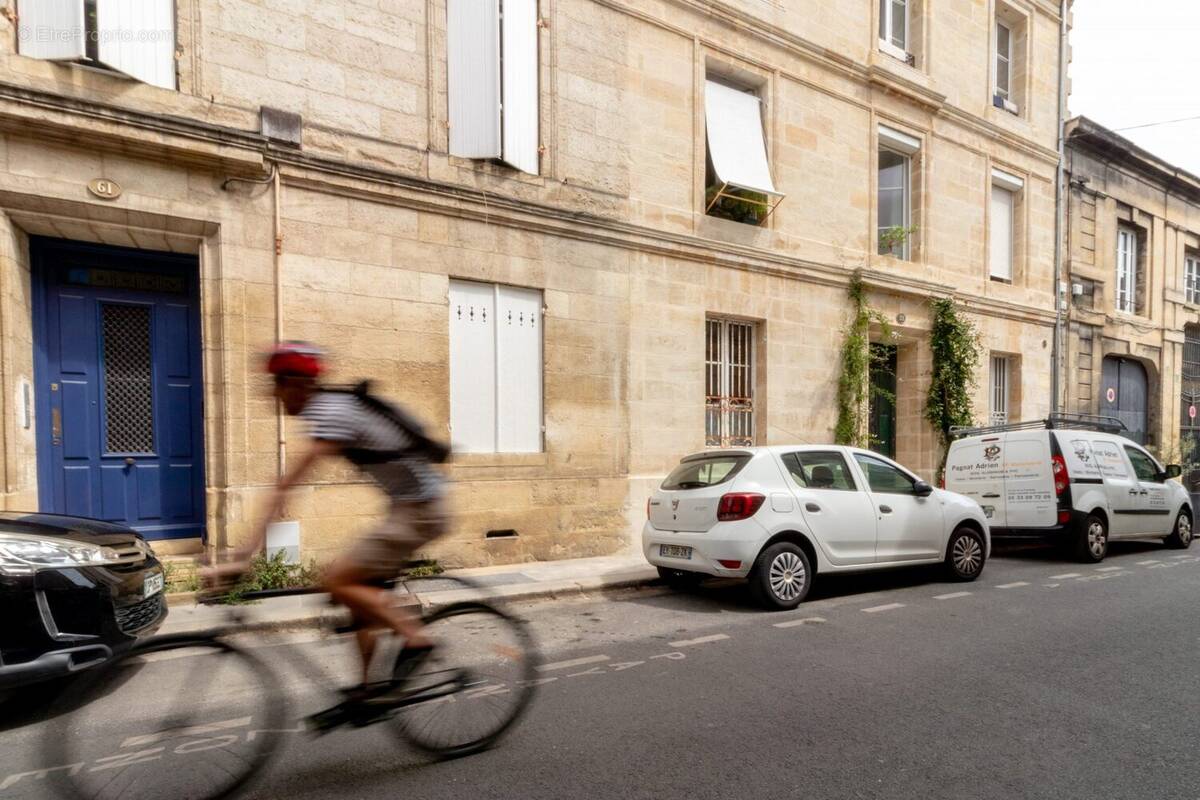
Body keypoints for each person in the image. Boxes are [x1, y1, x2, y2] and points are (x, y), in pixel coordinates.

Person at [207, 342, 449, 701]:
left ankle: (416, 638)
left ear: (298, 384)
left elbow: (287, 486)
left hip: (422, 511)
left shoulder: (331, 411)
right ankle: (370, 692)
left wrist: (243, 555)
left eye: (278, 384)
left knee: (335, 580)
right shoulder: (333, 407)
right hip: (410, 508)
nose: (274, 394)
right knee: (357, 595)